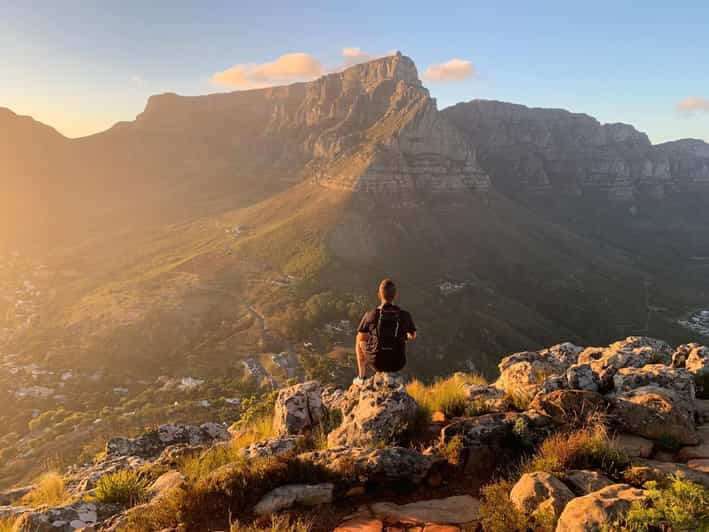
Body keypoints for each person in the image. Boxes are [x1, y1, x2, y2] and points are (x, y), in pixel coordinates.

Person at [353, 278, 416, 384]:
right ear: (395, 296)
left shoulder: (371, 314)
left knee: (359, 338)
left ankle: (361, 377)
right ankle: (393, 375)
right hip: (398, 363)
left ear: (379, 295)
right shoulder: (405, 315)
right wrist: (404, 333)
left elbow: (362, 336)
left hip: (377, 362)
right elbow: (413, 335)